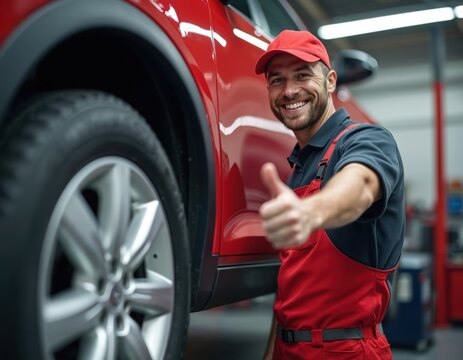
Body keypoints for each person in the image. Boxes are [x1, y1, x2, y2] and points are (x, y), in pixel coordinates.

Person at [256, 30, 404, 359]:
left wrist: (311, 213)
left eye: (302, 75)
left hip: (347, 351)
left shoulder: (367, 140)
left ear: (331, 81)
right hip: (286, 347)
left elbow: (361, 185)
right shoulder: (296, 167)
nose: (289, 90)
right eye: (277, 80)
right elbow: (289, 288)